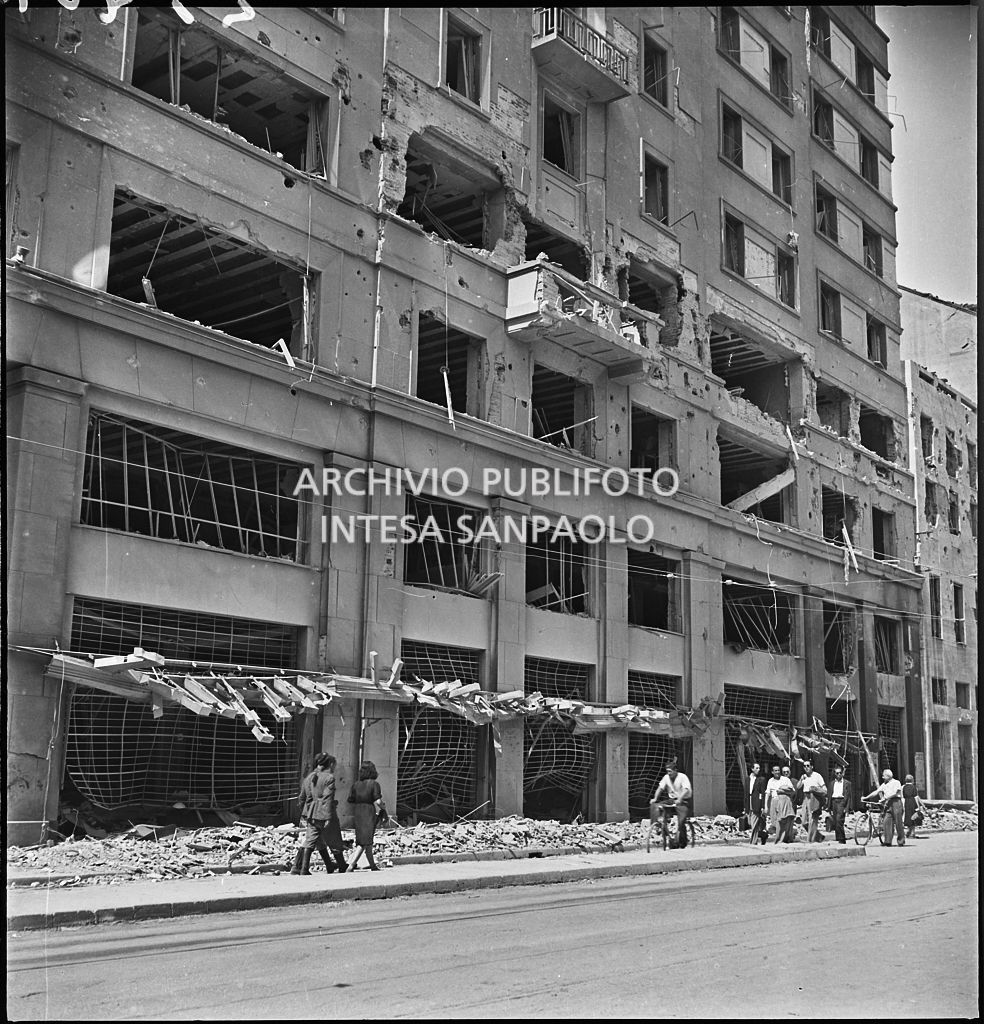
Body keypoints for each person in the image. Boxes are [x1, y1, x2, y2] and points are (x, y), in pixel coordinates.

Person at [291, 753, 347, 876]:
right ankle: (341, 865)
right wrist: (327, 816)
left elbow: (302, 798)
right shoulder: (328, 778)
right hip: (324, 813)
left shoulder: (309, 777)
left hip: (310, 813)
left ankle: (304, 868)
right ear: (330, 764)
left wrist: (304, 812)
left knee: (313, 840)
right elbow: (327, 798)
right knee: (334, 839)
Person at [346, 760, 385, 871]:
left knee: (366, 840)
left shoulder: (355, 785)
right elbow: (378, 802)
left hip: (358, 812)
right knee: (365, 841)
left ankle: (373, 866)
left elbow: (350, 799)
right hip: (368, 812)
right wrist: (384, 808)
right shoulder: (374, 784)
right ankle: (351, 864)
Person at [650, 760, 693, 849]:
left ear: (675, 770)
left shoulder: (682, 777)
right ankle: (658, 827)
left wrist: (680, 799)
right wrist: (655, 798)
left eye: (670, 771)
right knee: (657, 806)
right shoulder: (666, 778)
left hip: (684, 800)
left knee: (681, 822)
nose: (669, 773)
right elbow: (660, 788)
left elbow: (686, 789)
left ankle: (682, 841)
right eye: (667, 771)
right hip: (672, 800)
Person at [863, 769, 905, 846]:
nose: (883, 777)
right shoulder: (884, 784)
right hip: (888, 804)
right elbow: (876, 792)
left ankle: (901, 840)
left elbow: (896, 793)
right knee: (887, 821)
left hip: (896, 802)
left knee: (898, 822)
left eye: (884, 776)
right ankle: (887, 841)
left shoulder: (896, 782)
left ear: (888, 776)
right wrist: (866, 797)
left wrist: (885, 798)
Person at [796, 759, 827, 843]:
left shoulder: (817, 776)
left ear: (812, 767)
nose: (806, 768)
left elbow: (824, 789)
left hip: (814, 797)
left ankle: (810, 840)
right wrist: (801, 779)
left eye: (808, 766)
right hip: (805, 798)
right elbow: (798, 787)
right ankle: (819, 837)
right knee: (803, 822)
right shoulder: (804, 776)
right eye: (804, 766)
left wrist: (816, 789)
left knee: (812, 820)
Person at [771, 765, 797, 843]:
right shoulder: (772, 780)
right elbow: (771, 792)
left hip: (787, 801)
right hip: (776, 801)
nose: (786, 773)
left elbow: (792, 791)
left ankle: (785, 838)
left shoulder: (789, 780)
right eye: (784, 772)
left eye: (787, 772)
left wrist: (782, 789)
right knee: (778, 820)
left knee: (787, 820)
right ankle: (780, 838)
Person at [828, 765, 853, 844]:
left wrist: (847, 808)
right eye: (837, 773)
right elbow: (829, 795)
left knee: (839, 820)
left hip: (842, 802)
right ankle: (838, 838)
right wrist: (829, 807)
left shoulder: (847, 783)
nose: (838, 774)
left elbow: (849, 796)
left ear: (843, 773)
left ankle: (842, 839)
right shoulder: (832, 783)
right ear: (834, 774)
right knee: (835, 821)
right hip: (834, 801)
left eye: (840, 773)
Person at [744, 762, 768, 845]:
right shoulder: (747, 779)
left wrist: (762, 805)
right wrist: (745, 806)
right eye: (756, 768)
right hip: (749, 802)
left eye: (759, 768)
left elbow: (762, 793)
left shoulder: (761, 780)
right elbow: (746, 793)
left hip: (756, 802)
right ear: (752, 769)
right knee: (751, 823)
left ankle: (753, 842)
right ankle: (763, 835)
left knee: (754, 823)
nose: (758, 770)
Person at [902, 773, 925, 839]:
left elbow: (902, 796)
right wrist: (920, 805)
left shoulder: (903, 787)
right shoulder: (913, 787)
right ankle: (912, 833)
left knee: (908, 817)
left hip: (906, 803)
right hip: (912, 803)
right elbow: (916, 797)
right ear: (912, 780)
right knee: (914, 817)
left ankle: (908, 832)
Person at [764, 764, 783, 838]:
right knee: (773, 817)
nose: (777, 772)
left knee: (781, 817)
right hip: (774, 800)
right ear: (772, 772)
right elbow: (767, 793)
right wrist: (766, 806)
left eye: (778, 770)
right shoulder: (770, 781)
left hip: (782, 799)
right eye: (775, 770)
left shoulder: (784, 779)